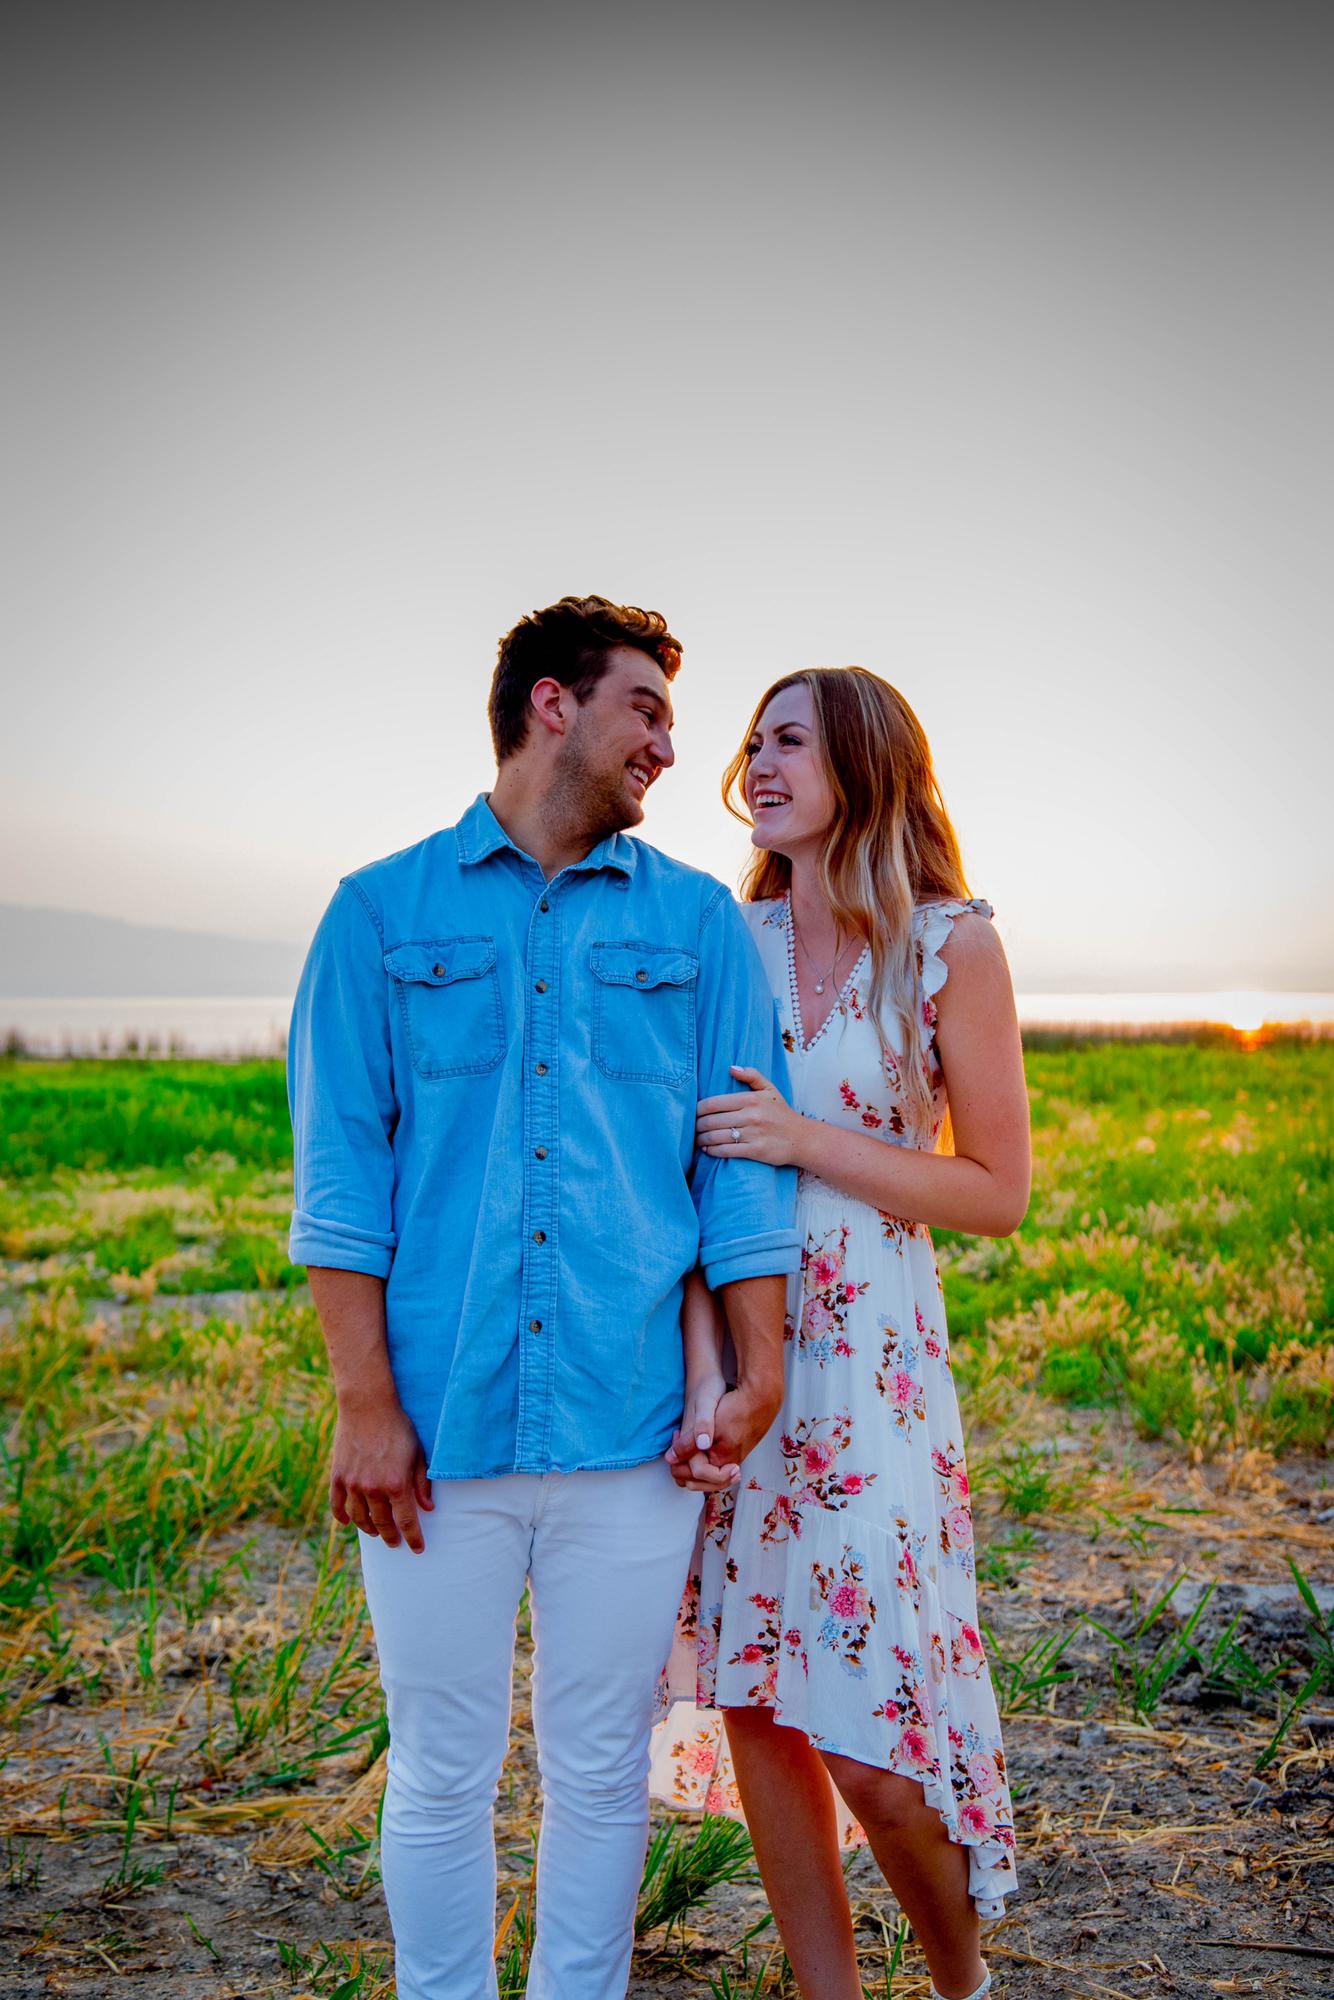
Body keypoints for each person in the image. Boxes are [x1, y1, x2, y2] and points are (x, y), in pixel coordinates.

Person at [286, 596, 801, 2000]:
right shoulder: (377, 913)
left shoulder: (697, 924)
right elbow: (341, 1185)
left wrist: (755, 1372)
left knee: (599, 1769)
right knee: (440, 1767)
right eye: (647, 709)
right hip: (432, 1437)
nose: (671, 748)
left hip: (629, 1425)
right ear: (551, 705)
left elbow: (737, 1178)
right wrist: (364, 1406)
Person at [652, 666, 1031, 2000]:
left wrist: (805, 1139)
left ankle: (960, 1981)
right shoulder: (724, 939)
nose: (757, 765)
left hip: (873, 1370)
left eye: (792, 742)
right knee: (757, 1694)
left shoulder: (949, 946)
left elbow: (996, 1190)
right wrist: (703, 1373)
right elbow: (680, 1177)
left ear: (864, 763)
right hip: (737, 1348)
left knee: (872, 1737)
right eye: (753, 743)